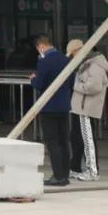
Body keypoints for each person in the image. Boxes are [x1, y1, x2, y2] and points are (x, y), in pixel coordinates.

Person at [30, 34, 73, 186]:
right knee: (64, 141)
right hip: (64, 105)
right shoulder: (65, 59)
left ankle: (57, 175)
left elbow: (39, 84)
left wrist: (33, 79)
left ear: (41, 46)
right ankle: (65, 175)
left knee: (52, 141)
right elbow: (71, 82)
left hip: (49, 106)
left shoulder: (44, 61)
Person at [67, 38, 108, 181]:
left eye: (73, 54)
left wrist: (76, 86)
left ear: (78, 51)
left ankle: (92, 171)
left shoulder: (95, 65)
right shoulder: (87, 64)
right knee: (77, 138)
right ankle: (74, 167)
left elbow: (94, 87)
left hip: (85, 108)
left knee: (87, 139)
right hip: (80, 107)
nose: (73, 57)